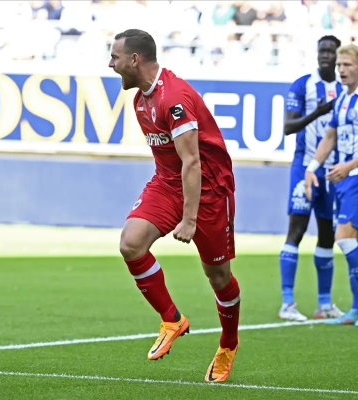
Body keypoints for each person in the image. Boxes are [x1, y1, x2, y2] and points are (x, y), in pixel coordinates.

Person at [109, 29, 240, 382]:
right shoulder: (141, 101)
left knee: (218, 277)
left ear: (134, 59)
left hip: (208, 191)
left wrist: (189, 219)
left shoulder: (175, 98)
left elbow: (193, 162)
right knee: (131, 243)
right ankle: (172, 319)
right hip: (168, 183)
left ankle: (228, 344)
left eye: (115, 57)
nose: (111, 64)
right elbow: (172, 164)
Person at [304, 44, 358, 327]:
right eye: (339, 65)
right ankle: (357, 306)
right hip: (341, 178)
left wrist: (349, 166)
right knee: (355, 242)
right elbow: (329, 137)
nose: (341, 70)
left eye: (347, 65)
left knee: (344, 238)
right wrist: (312, 168)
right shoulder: (341, 98)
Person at [279, 35, 345, 321]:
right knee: (296, 231)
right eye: (322, 51)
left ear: (338, 56)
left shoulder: (344, 89)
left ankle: (324, 304)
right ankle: (287, 303)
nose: (325, 55)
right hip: (304, 167)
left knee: (328, 235)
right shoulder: (302, 85)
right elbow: (288, 126)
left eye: (330, 51)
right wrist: (317, 112)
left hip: (333, 171)